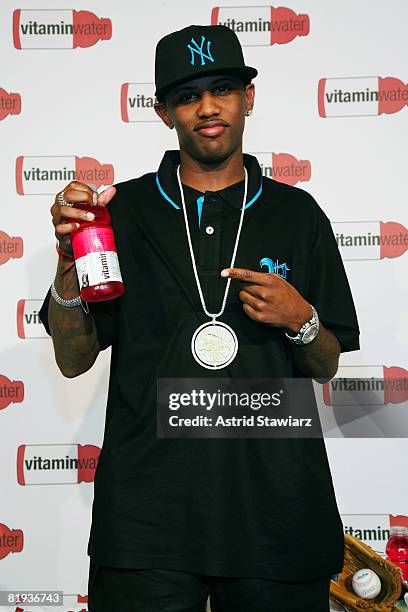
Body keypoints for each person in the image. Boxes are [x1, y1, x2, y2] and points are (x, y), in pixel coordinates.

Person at [39, 24, 360, 612]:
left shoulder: (298, 213)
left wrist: (301, 318)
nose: (208, 107)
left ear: (249, 98)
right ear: (164, 113)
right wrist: (67, 265)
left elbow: (327, 361)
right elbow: (72, 357)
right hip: (148, 518)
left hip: (279, 512)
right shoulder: (122, 212)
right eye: (187, 96)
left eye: (223, 89)